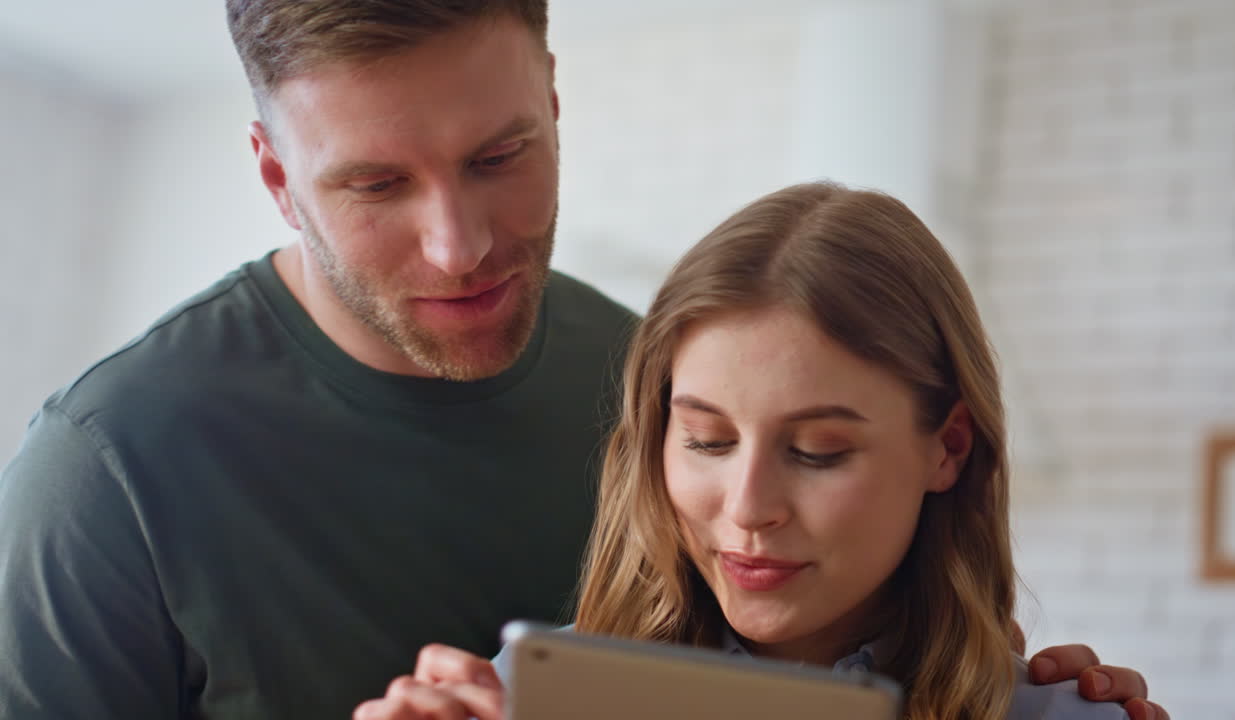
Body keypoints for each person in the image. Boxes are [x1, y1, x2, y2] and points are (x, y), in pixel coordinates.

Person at [0, 3, 1160, 719]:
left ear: (554, 108)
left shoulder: (642, 369)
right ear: (274, 176)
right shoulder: (106, 466)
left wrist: (991, 679)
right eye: (375, 184)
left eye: (502, 154)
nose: (459, 246)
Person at [354, 183, 1168, 720]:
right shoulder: (523, 698)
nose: (746, 508)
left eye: (818, 451)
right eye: (707, 439)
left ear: (947, 448)